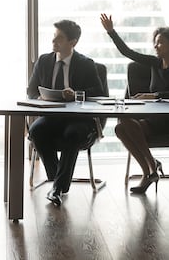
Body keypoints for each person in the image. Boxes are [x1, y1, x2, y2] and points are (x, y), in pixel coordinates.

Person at [100, 13, 169, 194]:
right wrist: (111, 32)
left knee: (124, 125)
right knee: (120, 127)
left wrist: (155, 95)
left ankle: (151, 168)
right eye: (155, 42)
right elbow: (128, 52)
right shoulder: (154, 63)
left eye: (160, 42)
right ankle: (150, 169)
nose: (156, 46)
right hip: (152, 118)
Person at [27, 19, 104, 206]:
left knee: (73, 133)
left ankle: (58, 188)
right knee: (36, 131)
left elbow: (100, 93)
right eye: (54, 37)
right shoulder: (44, 61)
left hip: (79, 119)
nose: (54, 42)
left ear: (73, 42)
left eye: (59, 38)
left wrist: (77, 94)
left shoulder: (86, 64)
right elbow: (31, 91)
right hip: (52, 117)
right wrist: (42, 98)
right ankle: (57, 181)